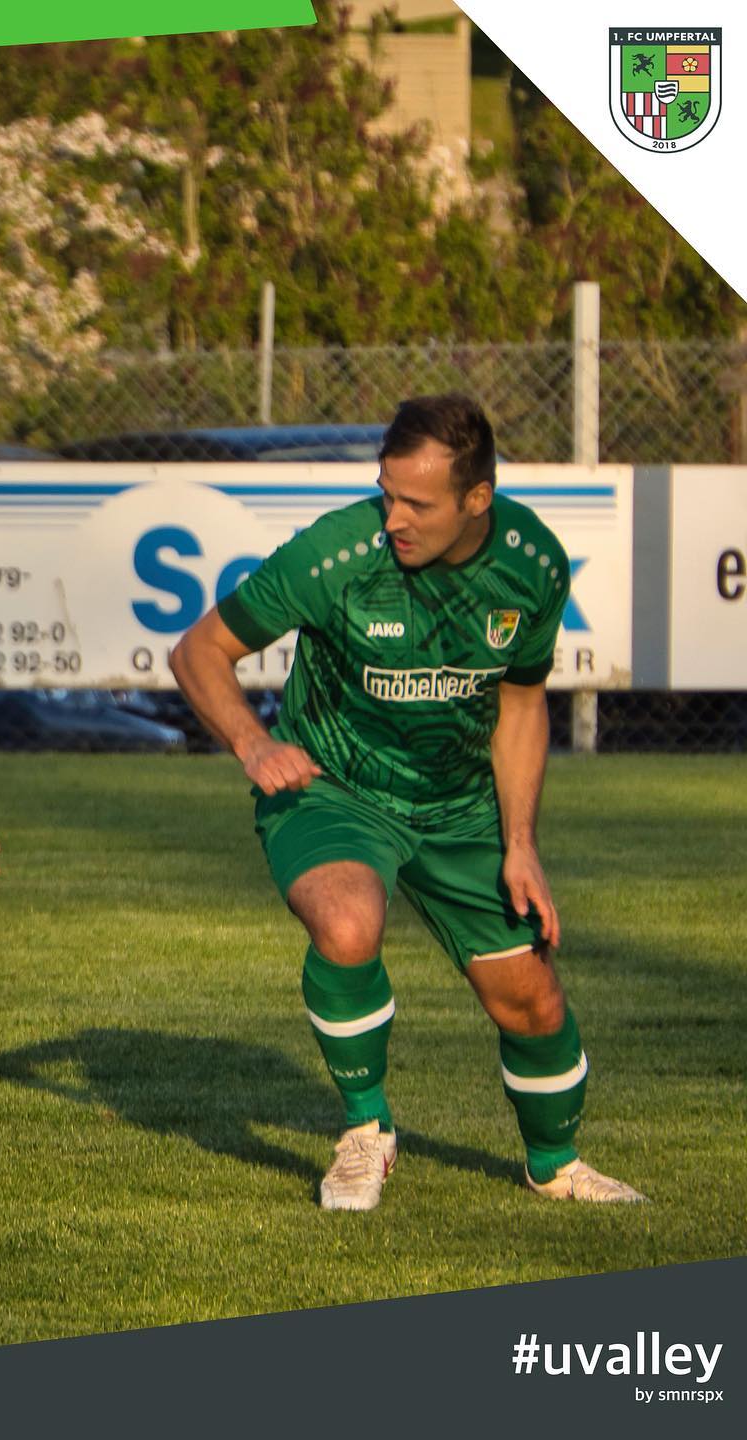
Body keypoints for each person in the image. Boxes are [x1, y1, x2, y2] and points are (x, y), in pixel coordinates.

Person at [169, 394, 643, 1211]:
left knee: (530, 999)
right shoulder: (336, 554)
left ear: (477, 499)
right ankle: (366, 1131)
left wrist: (520, 845)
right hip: (334, 788)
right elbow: (199, 650)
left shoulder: (532, 564)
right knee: (347, 922)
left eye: (417, 504)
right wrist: (253, 743)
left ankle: (556, 1166)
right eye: (387, 494)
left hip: (459, 806)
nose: (394, 519)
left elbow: (521, 706)